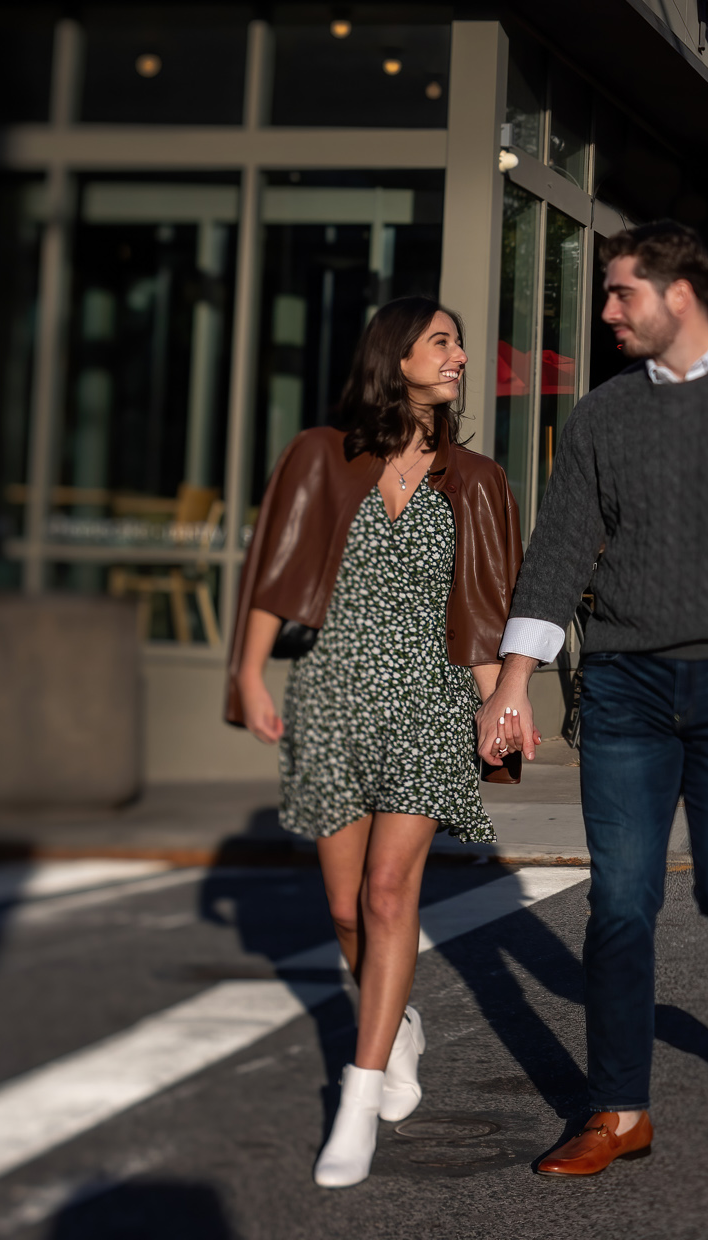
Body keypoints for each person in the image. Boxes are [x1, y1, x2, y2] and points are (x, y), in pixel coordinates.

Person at [476, 223, 708, 1176]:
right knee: (622, 904)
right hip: (627, 685)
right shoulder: (606, 414)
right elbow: (561, 545)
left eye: (620, 294)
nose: (606, 312)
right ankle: (617, 1110)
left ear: (679, 294)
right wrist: (514, 681)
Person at [226, 297, 523, 1189]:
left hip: (426, 704)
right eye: (444, 341)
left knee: (393, 893)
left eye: (459, 344)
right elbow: (277, 570)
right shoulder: (325, 454)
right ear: (396, 357)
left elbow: (480, 609)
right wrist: (248, 675)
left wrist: (500, 703)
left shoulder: (473, 478)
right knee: (349, 910)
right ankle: (398, 1028)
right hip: (332, 698)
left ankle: (357, 1097)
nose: (461, 356)